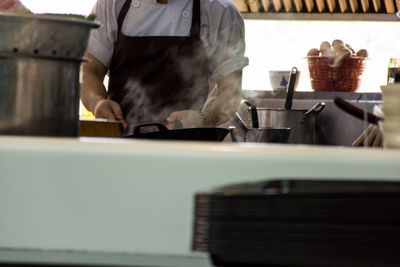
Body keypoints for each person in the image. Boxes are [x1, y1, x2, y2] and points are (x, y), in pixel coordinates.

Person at [81, 0, 249, 135]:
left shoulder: (218, 10)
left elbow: (231, 93)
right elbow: (88, 72)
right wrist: (97, 103)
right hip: (121, 144)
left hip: (187, 146)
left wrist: (203, 118)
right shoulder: (112, 4)